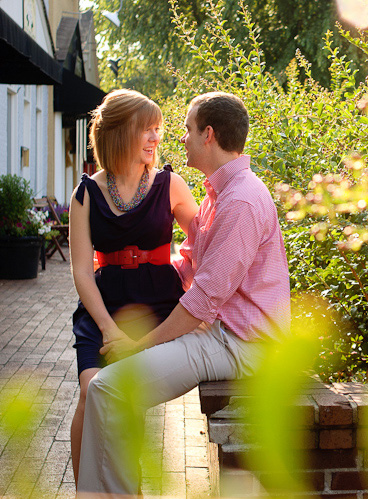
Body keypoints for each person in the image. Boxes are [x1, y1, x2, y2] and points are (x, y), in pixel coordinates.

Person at [77, 92, 291, 494]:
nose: (179, 138)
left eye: (188, 129)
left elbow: (203, 299)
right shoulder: (220, 193)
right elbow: (190, 263)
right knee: (107, 389)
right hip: (222, 333)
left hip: (240, 343)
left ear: (208, 135)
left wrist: (142, 343)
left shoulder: (241, 200)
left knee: (107, 388)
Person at [68, 89, 199, 486]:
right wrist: (108, 328)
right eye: (146, 130)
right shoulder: (85, 193)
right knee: (91, 393)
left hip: (157, 307)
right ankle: (87, 491)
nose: (155, 139)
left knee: (126, 398)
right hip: (103, 309)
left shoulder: (170, 184)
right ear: (119, 133)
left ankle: (128, 489)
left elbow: (208, 244)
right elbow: (80, 271)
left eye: (157, 130)